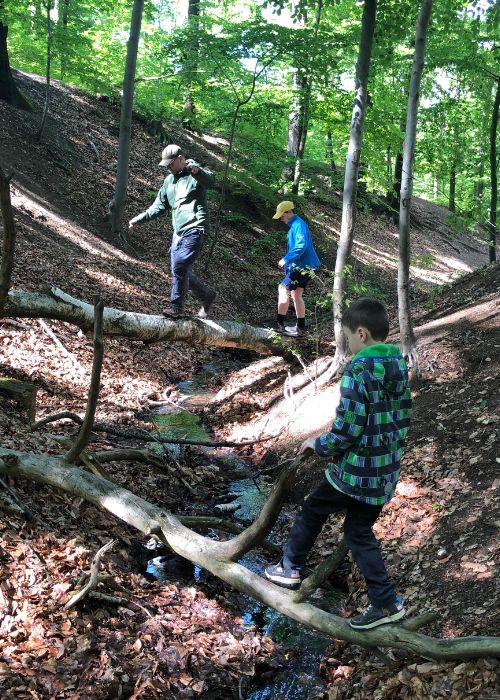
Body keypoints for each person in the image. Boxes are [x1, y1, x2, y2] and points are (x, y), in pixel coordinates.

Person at [265, 298, 413, 630]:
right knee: (358, 531)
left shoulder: (359, 370)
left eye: (346, 336)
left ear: (361, 333)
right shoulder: (398, 364)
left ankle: (289, 568)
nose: (345, 342)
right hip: (384, 471)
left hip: (356, 473)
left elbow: (347, 429)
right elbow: (402, 419)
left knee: (313, 507)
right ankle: (386, 602)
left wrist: (318, 445)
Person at [129, 144, 216, 319]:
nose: (168, 167)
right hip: (178, 233)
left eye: (170, 163)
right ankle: (206, 295)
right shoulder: (169, 181)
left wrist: (196, 171)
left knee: (180, 266)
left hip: (196, 228)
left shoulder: (195, 173)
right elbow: (159, 206)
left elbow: (210, 181)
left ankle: (176, 307)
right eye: (166, 164)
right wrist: (140, 218)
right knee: (179, 270)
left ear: (180, 159)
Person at [271, 201, 320, 337]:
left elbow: (301, 246)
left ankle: (279, 325)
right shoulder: (295, 225)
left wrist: (286, 259)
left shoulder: (298, 225)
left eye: (282, 215)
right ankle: (300, 327)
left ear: (288, 212)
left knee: (283, 289)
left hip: (303, 266)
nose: (280, 218)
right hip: (307, 266)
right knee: (296, 294)